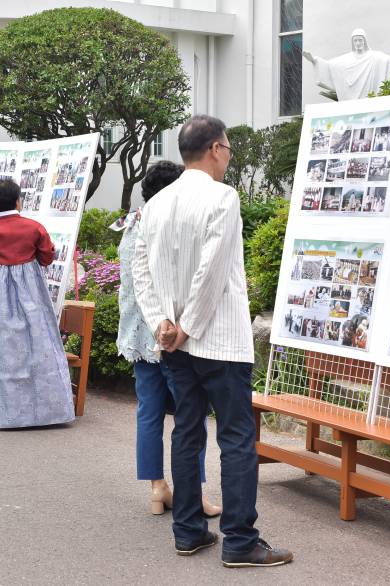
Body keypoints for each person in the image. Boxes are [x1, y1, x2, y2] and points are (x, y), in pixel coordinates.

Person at [132, 115, 292, 568]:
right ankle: (240, 540)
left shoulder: (156, 204)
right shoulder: (223, 198)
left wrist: (164, 321)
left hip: (176, 344)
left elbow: (140, 269)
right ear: (217, 148)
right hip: (218, 340)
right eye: (228, 149)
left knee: (187, 431)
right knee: (238, 437)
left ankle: (188, 532)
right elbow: (213, 272)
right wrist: (190, 324)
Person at [115, 161, 221, 518]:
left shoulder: (131, 226)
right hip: (174, 336)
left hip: (138, 335)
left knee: (149, 413)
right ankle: (196, 495)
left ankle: (157, 489)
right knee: (190, 415)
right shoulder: (167, 223)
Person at [0, 179, 75, 429]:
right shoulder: (33, 227)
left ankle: (8, 414)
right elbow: (47, 256)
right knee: (41, 346)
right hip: (33, 292)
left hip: (0, 296)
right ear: (18, 201)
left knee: (6, 353)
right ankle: (50, 412)